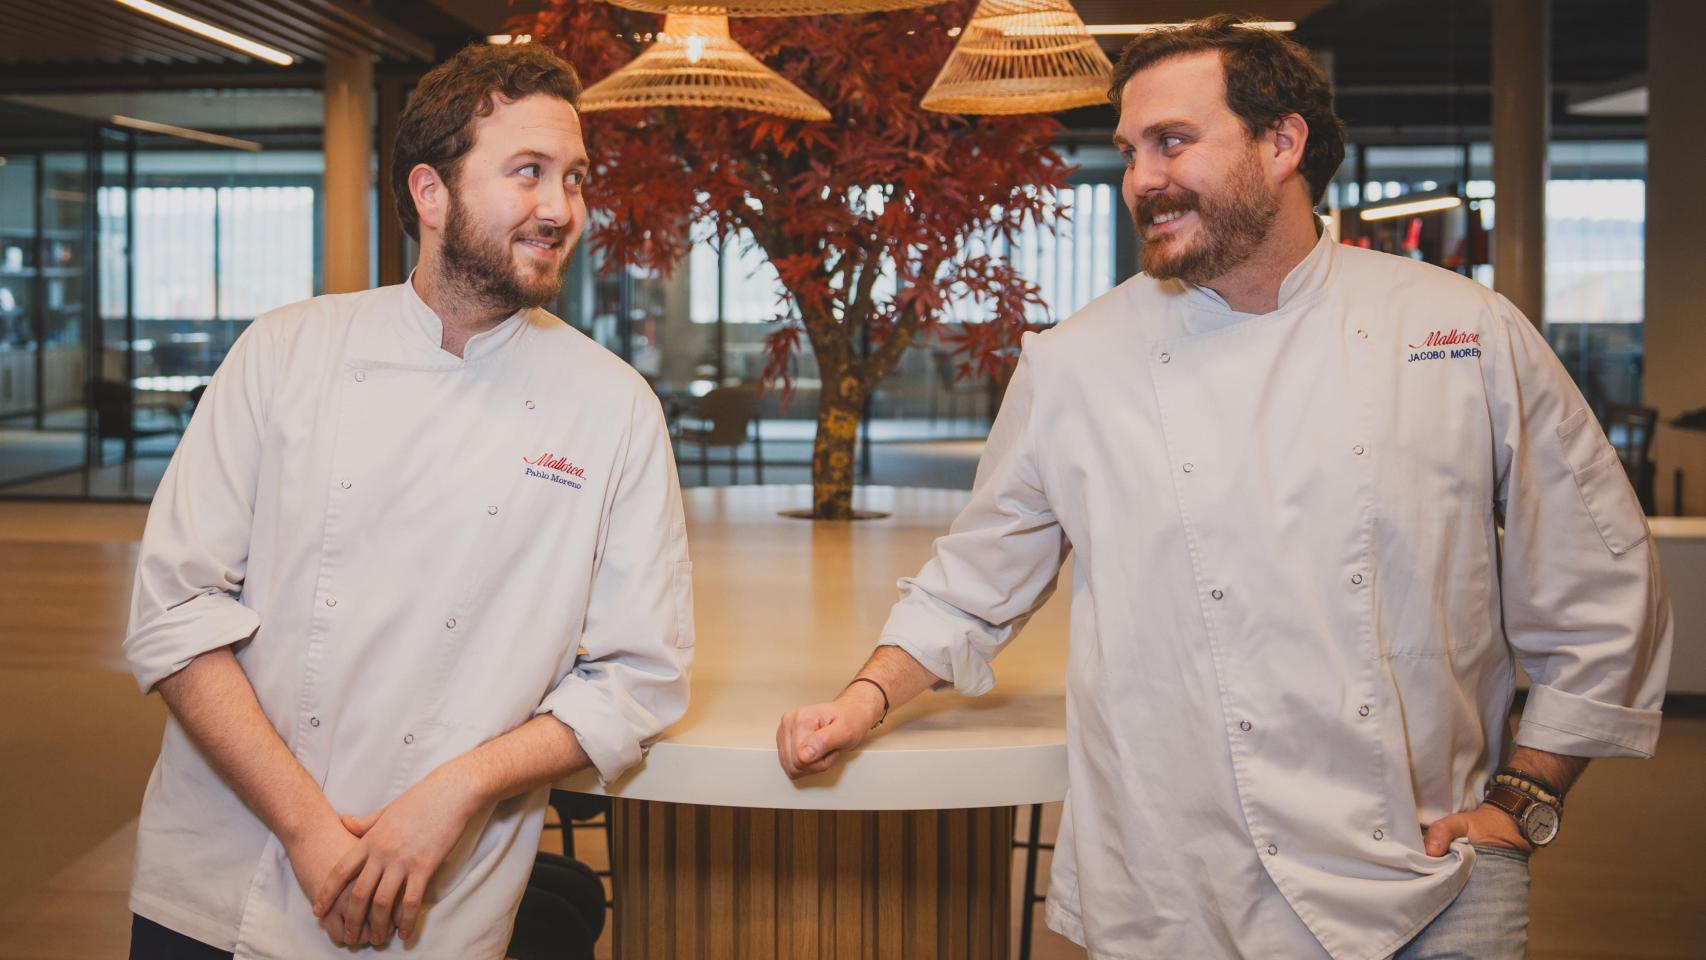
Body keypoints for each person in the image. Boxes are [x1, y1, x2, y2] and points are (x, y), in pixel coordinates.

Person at [776, 15, 1671, 960]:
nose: (1138, 181)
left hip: (1432, 884)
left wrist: (1526, 797)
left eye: (1172, 142)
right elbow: (974, 581)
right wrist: (863, 699)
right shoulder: (1075, 363)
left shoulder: (1458, 330)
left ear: (1282, 142)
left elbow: (1599, 575)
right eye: (1128, 151)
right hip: (1173, 892)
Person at [123, 43, 693, 959]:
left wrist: (455, 790)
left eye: (575, 178)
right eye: (528, 173)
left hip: (436, 900)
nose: (562, 208)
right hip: (223, 880)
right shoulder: (284, 352)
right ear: (431, 194)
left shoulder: (614, 405)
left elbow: (639, 679)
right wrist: (311, 831)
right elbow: (175, 612)